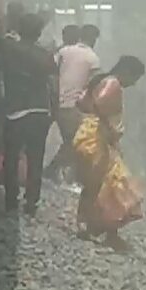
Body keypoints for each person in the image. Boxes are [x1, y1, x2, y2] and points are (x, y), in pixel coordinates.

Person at [73, 55, 146, 251]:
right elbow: (100, 105)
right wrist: (110, 130)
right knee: (109, 181)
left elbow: (83, 103)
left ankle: (99, 227)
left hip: (90, 132)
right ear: (126, 72)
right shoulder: (113, 84)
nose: (134, 83)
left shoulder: (103, 80)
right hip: (97, 137)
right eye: (135, 78)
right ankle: (94, 226)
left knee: (101, 183)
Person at [0, 13, 57, 215]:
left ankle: (11, 202)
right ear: (38, 33)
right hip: (40, 110)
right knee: (36, 159)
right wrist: (54, 111)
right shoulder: (45, 55)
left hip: (15, 111)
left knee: (11, 158)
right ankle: (31, 203)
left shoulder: (8, 47)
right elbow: (53, 83)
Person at [46, 25, 101, 182]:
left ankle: (61, 174)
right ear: (94, 39)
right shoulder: (93, 58)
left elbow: (50, 70)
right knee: (76, 143)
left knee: (71, 142)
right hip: (74, 106)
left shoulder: (64, 52)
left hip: (55, 103)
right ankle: (53, 171)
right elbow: (94, 85)